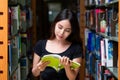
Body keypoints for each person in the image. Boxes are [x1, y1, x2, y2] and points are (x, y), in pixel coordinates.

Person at [32, 8, 83, 80]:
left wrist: (67, 67)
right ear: (54, 24)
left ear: (71, 32)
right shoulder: (40, 45)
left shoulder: (76, 48)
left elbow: (72, 78)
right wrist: (39, 68)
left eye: (67, 30)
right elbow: (34, 73)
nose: (61, 33)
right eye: (60, 27)